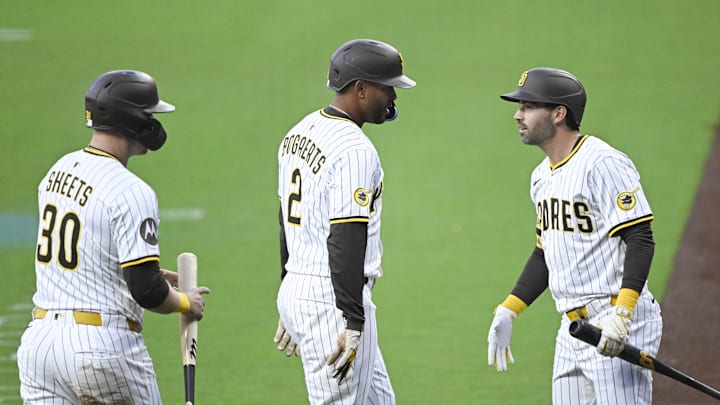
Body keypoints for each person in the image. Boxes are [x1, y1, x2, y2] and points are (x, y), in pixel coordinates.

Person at [16, 70, 210, 404]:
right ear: (132, 120)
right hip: (101, 350)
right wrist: (185, 303)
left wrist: (134, 271)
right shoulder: (132, 191)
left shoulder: (56, 172)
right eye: (149, 115)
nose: (154, 124)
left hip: (40, 348)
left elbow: (81, 253)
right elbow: (146, 290)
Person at [486, 67, 663, 405]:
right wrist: (508, 310)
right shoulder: (540, 178)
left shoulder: (602, 163)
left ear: (558, 113)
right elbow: (545, 254)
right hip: (573, 330)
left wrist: (622, 316)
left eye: (527, 106)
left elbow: (640, 237)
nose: (517, 115)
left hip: (616, 316)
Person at [273, 39, 415, 404]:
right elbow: (346, 237)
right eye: (388, 88)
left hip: (303, 287)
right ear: (361, 88)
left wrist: (289, 294)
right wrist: (353, 320)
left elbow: (284, 221)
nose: (394, 97)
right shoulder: (355, 150)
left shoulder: (298, 131)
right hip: (332, 302)